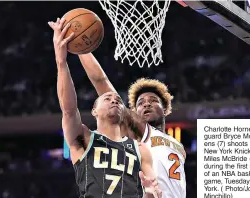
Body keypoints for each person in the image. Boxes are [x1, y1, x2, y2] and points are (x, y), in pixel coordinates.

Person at [48, 17, 161, 198]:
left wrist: (150, 193)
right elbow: (69, 110)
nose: (114, 99)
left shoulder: (140, 149)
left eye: (117, 99)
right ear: (94, 111)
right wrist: (61, 61)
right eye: (107, 98)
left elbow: (154, 192)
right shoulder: (84, 139)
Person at [77, 53, 186, 198]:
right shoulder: (142, 131)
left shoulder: (179, 147)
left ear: (165, 108)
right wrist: (82, 49)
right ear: (134, 113)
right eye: (140, 103)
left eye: (153, 100)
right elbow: (101, 81)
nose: (146, 103)